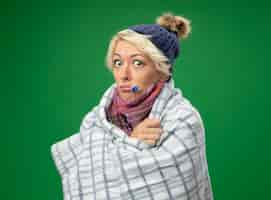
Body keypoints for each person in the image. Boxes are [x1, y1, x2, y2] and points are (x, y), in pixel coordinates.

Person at [51, 12, 214, 200]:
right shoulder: (95, 119)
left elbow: (176, 189)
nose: (124, 75)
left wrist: (122, 148)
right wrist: (132, 140)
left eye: (138, 63)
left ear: (163, 71)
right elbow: (85, 177)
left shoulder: (184, 119)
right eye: (117, 62)